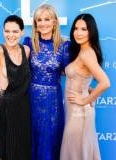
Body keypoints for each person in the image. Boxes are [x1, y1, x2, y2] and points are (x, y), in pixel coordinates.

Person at [23, 4, 70, 160]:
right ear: (35, 24)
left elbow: (72, 72)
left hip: (53, 102)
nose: (43, 23)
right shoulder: (29, 42)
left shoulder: (64, 46)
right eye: (39, 20)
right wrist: (2, 84)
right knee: (30, 139)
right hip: (31, 100)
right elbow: (17, 68)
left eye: (47, 19)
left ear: (55, 22)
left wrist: (86, 88)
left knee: (50, 141)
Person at [60, 13, 110, 160]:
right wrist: (87, 87)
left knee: (76, 153)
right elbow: (82, 75)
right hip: (73, 112)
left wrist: (84, 100)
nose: (78, 33)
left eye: (84, 29)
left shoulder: (87, 53)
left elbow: (105, 82)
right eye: (76, 28)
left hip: (79, 114)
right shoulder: (82, 50)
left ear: (91, 31)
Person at [0, 15, 31, 160]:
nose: (11, 35)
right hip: (3, 110)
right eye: (7, 31)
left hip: (22, 109)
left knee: (20, 151)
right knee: (2, 151)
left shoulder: (26, 50)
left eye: (15, 31)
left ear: (22, 32)